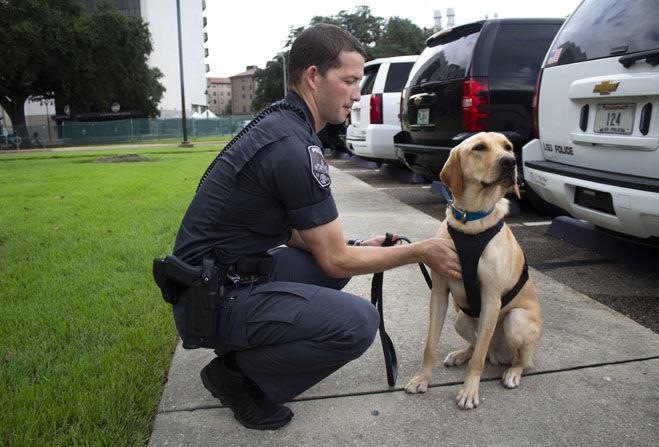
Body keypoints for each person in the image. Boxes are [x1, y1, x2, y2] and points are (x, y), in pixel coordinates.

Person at [169, 23, 461, 430]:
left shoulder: (281, 124)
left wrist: (364, 247)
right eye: (349, 81)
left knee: (329, 269)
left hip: (214, 282)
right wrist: (420, 251)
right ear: (313, 76)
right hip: (211, 301)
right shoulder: (293, 146)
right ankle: (239, 376)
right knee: (359, 322)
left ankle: (248, 352)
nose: (357, 94)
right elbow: (337, 259)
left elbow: (301, 234)